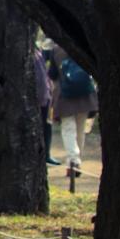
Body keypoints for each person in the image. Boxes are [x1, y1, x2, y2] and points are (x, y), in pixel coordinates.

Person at [48, 44, 97, 172]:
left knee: (68, 129)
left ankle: (73, 160)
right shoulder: (82, 45)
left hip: (65, 94)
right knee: (80, 130)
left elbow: (52, 74)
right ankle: (77, 162)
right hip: (84, 94)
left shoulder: (57, 50)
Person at [35, 43, 59, 167]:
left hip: (45, 98)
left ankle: (46, 155)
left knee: (47, 128)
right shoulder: (29, 52)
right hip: (37, 99)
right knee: (40, 128)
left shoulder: (37, 50)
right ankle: (41, 155)